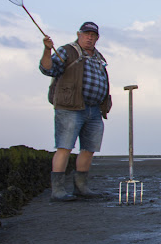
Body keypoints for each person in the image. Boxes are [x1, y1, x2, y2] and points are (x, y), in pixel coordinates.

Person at [40, 21, 112, 201]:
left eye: (93, 35)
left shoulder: (98, 57)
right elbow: (47, 69)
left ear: (97, 38)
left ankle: (81, 187)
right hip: (70, 107)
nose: (90, 37)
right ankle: (57, 191)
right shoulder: (67, 51)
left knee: (89, 149)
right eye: (86, 34)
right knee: (64, 147)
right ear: (78, 34)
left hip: (94, 110)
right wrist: (47, 49)